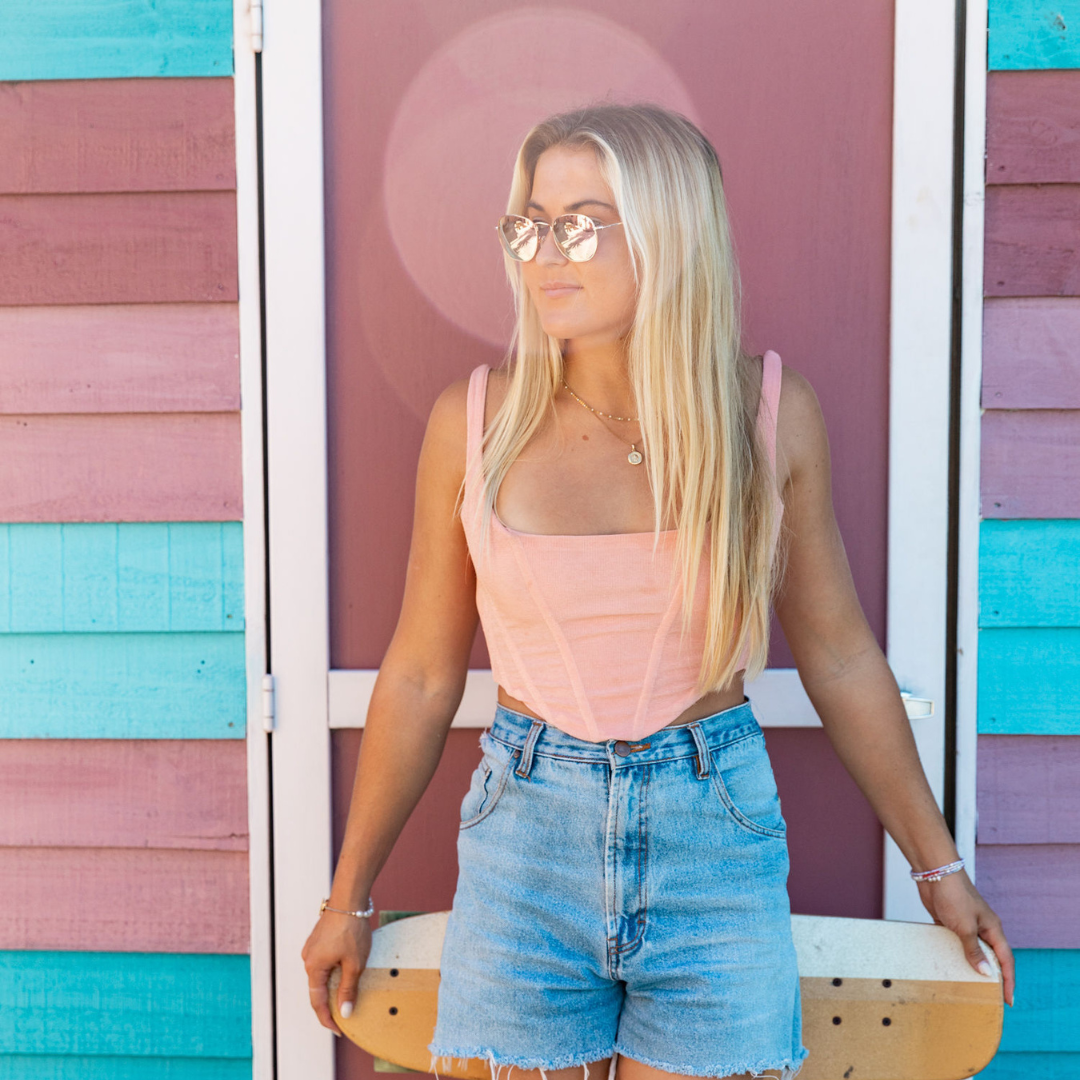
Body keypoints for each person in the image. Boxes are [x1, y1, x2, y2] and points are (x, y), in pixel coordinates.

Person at [302, 102, 1015, 1080]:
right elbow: (423, 675)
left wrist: (939, 870)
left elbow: (841, 657)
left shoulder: (767, 415)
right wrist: (348, 896)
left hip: (714, 842)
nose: (545, 251)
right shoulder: (473, 421)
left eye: (582, 222)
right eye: (531, 222)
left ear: (670, 233)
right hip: (525, 846)